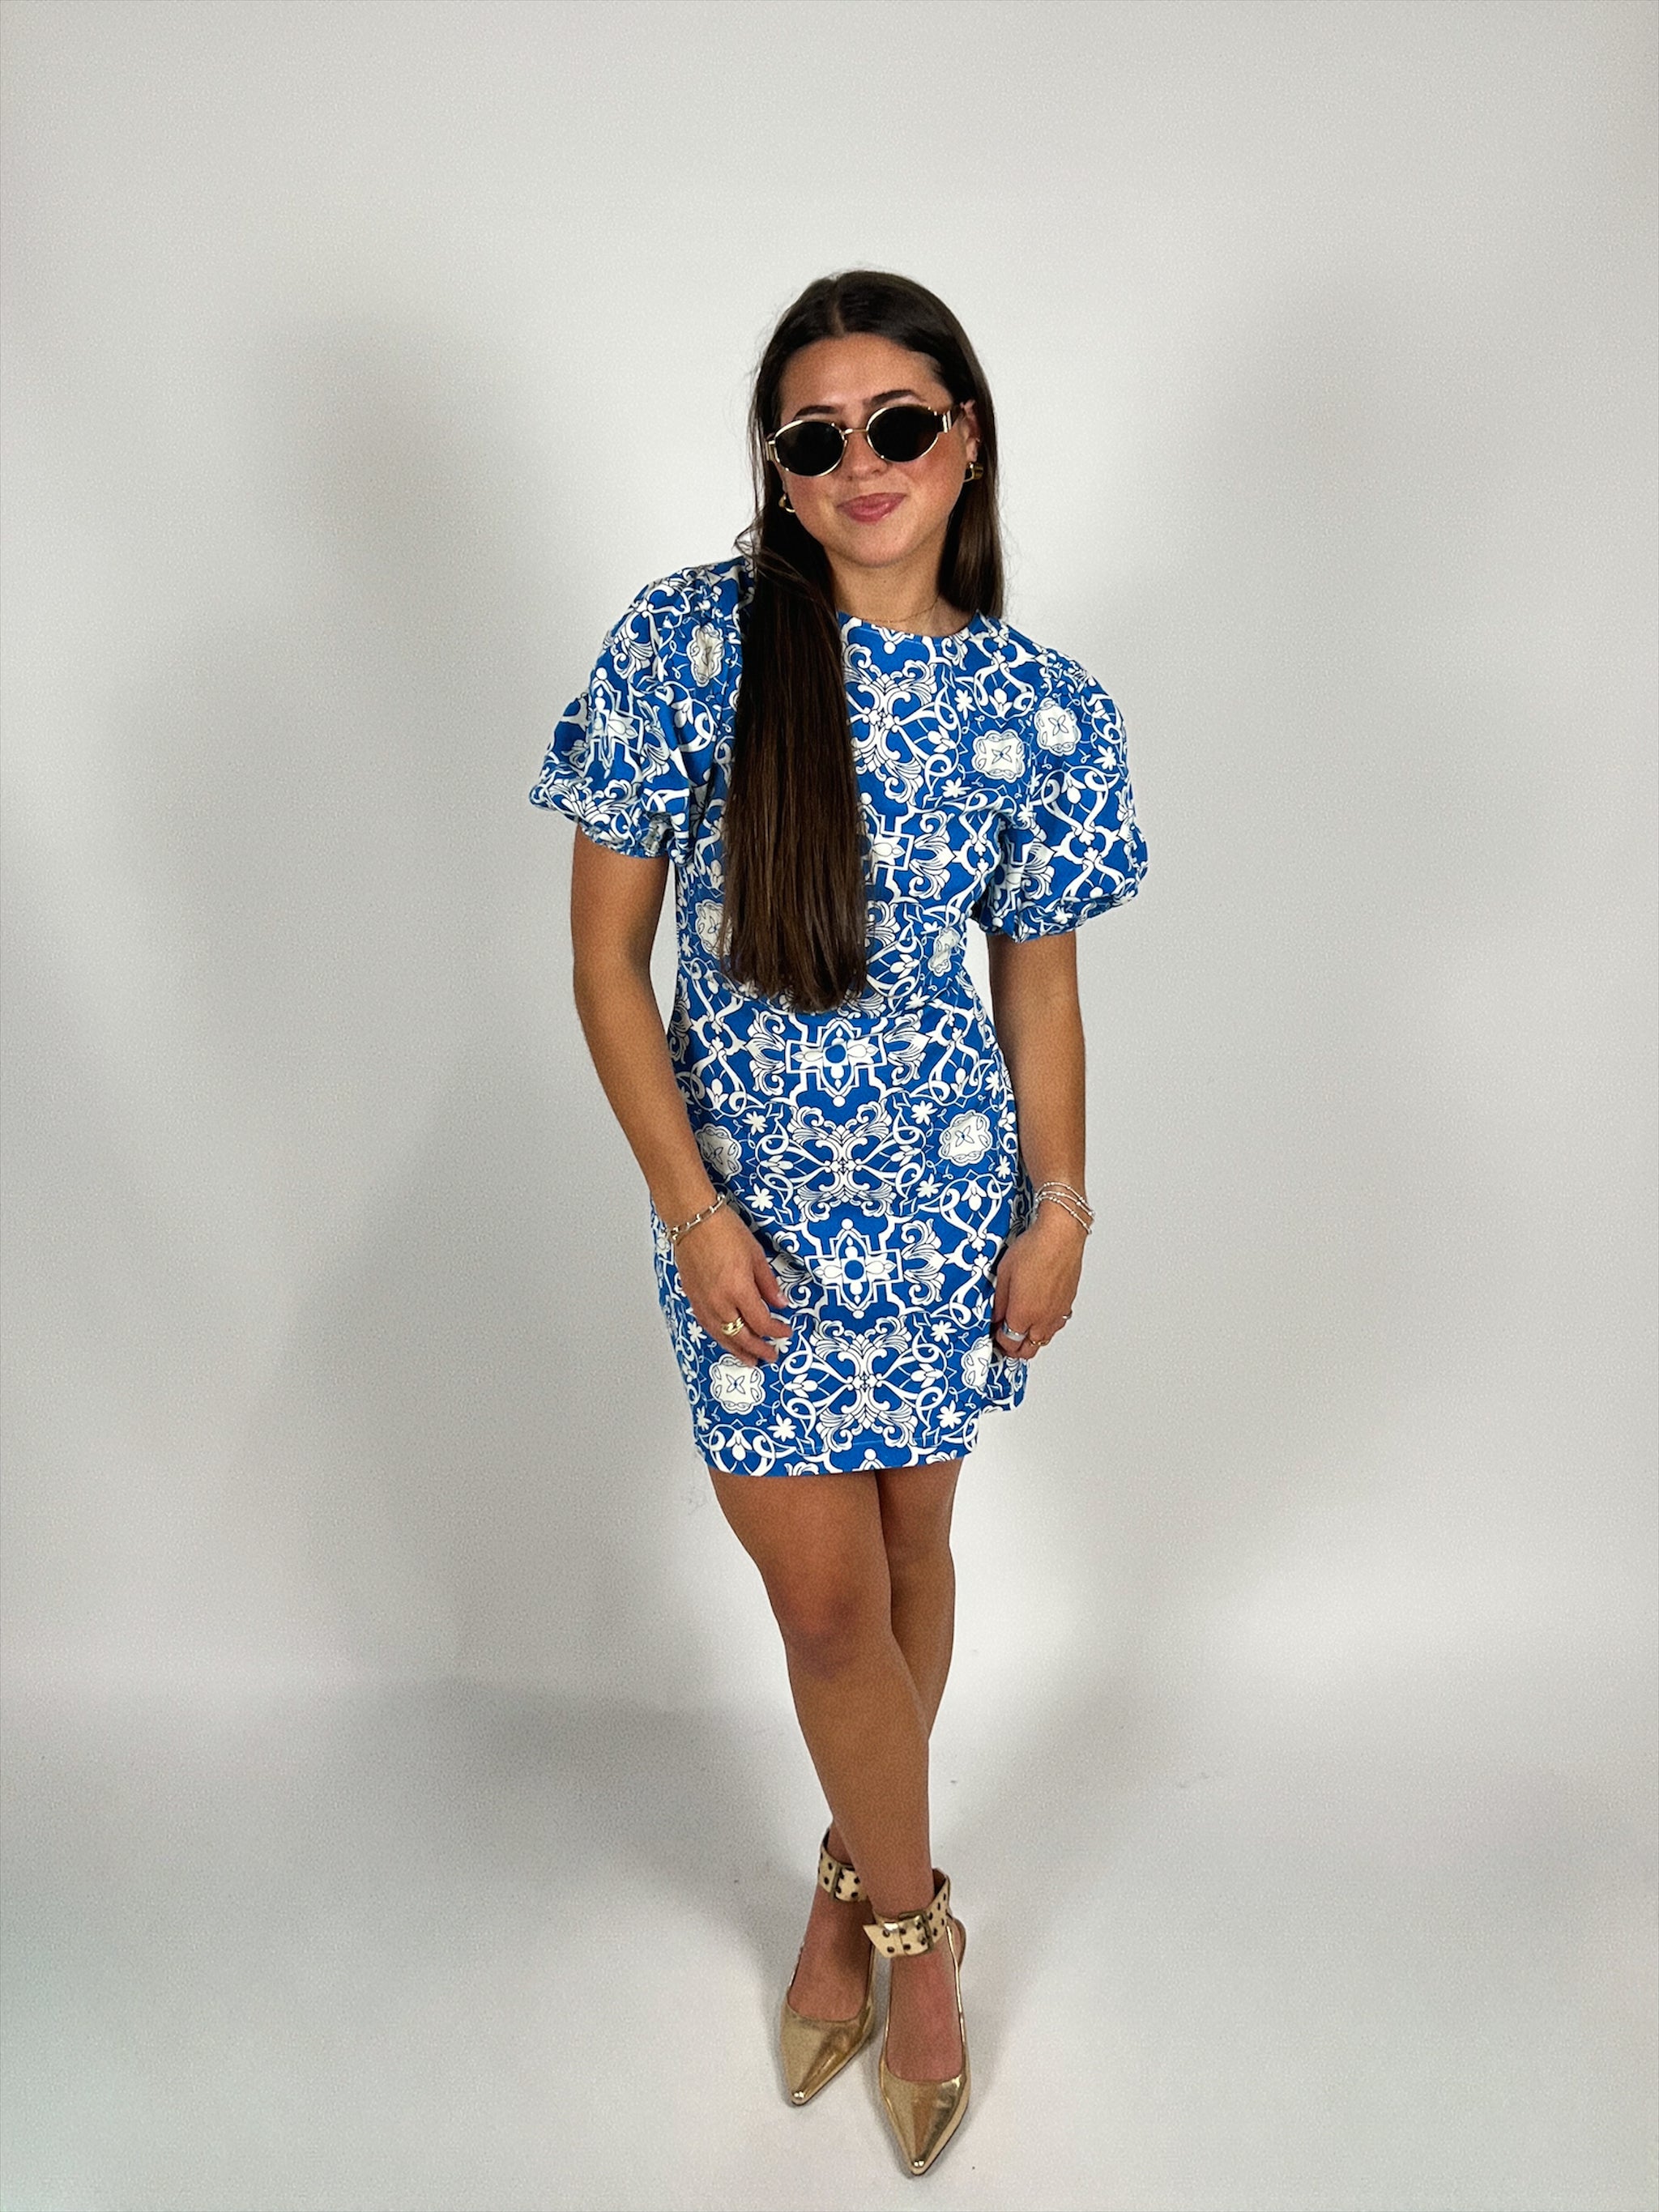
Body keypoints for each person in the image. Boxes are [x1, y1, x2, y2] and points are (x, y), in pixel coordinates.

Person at [527, 269, 1148, 2177]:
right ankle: (916, 1931)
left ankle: (842, 1883)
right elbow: (604, 966)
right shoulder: (688, 644)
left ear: (964, 436)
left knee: (906, 1556)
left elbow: (1038, 985)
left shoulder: (1038, 707)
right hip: (747, 1228)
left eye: (896, 422)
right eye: (816, 436)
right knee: (822, 1606)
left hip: (947, 1211)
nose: (859, 461)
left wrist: (1058, 1206)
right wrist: (689, 1211)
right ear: (780, 473)